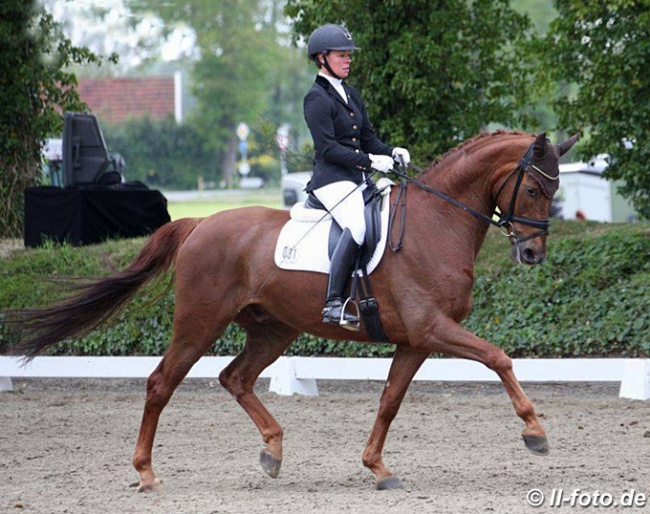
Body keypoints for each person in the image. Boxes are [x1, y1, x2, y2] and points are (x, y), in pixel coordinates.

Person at [303, 23, 410, 330]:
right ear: (322, 58)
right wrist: (369, 160)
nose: (348, 60)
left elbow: (369, 139)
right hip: (331, 180)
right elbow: (328, 149)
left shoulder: (351, 94)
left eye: (349, 55)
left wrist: (391, 152)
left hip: (357, 179)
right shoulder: (315, 98)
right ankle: (333, 303)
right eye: (341, 55)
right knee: (358, 226)